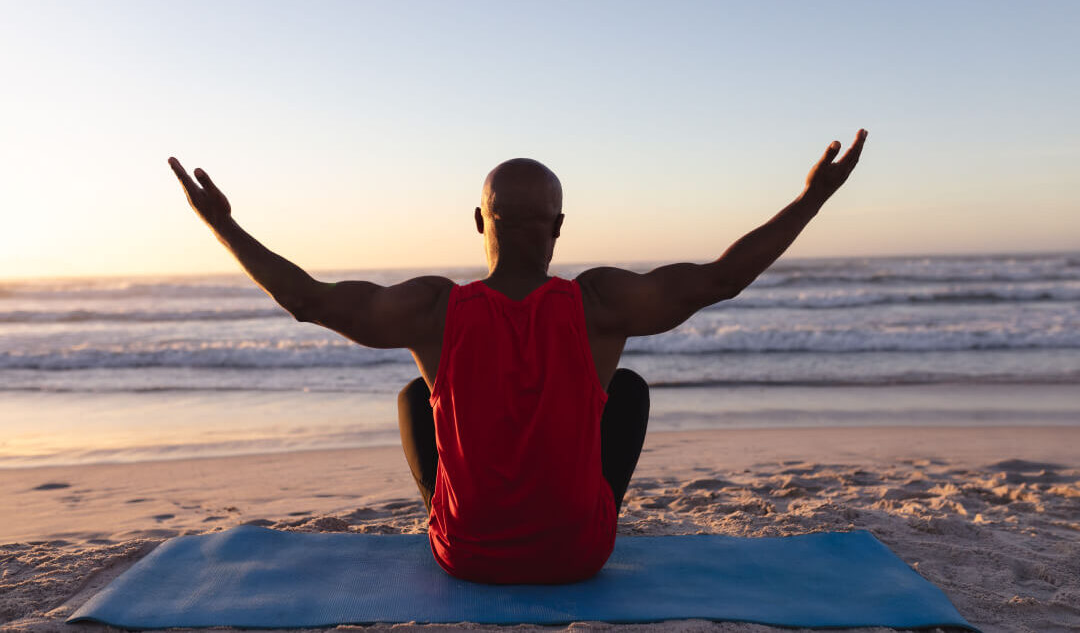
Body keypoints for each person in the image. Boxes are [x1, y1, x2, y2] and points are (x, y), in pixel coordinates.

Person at [168, 128, 867, 584]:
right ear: (558, 229)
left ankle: (460, 509)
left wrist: (224, 225)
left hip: (466, 556)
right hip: (579, 556)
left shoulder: (434, 310)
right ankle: (572, 511)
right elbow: (719, 279)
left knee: (417, 396)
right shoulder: (599, 304)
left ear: (480, 222)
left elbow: (311, 300)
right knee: (625, 390)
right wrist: (812, 199)